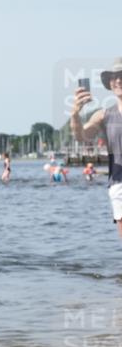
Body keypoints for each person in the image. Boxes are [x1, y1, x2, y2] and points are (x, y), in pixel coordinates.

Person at [71, 57, 122, 237]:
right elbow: (82, 136)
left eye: (121, 75)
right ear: (109, 83)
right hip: (119, 183)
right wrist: (75, 114)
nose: (118, 80)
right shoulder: (103, 115)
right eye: (114, 77)